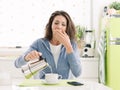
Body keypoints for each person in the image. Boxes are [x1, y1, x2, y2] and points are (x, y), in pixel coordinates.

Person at [14, 10, 81, 79]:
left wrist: (68, 47)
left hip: (65, 87)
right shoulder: (39, 43)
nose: (59, 27)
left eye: (63, 24)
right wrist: (27, 57)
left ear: (66, 28)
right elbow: (17, 64)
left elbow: (77, 73)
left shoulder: (72, 45)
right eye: (56, 23)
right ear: (51, 25)